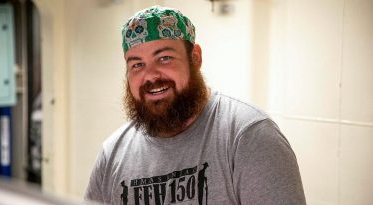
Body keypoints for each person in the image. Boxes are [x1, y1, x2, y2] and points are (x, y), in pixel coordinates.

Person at [84, 5, 306, 205]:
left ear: (195, 58)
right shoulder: (112, 154)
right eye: (137, 65)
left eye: (164, 58)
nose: (150, 76)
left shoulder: (248, 137)